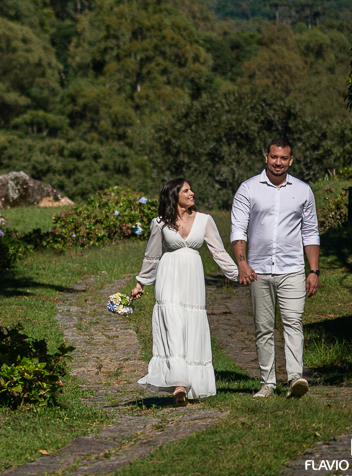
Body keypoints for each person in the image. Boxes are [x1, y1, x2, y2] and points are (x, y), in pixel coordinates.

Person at [129, 178, 238, 404]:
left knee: (190, 325)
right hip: (168, 276)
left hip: (193, 279)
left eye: (191, 189)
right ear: (174, 195)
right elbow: (152, 256)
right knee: (173, 323)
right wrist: (141, 283)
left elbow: (219, 252)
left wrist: (238, 274)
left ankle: (190, 382)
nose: (192, 193)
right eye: (186, 190)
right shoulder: (160, 223)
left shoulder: (205, 220)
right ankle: (179, 383)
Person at [230, 137, 320, 400]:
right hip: (258, 270)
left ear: (290, 160)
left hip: (292, 269)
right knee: (264, 328)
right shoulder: (248, 188)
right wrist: (242, 263)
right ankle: (267, 383)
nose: (278, 162)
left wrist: (313, 271)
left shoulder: (303, 190)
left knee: (293, 323)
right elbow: (238, 228)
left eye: (283, 158)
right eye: (274, 157)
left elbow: (310, 232)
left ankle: (294, 379)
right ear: (266, 157)